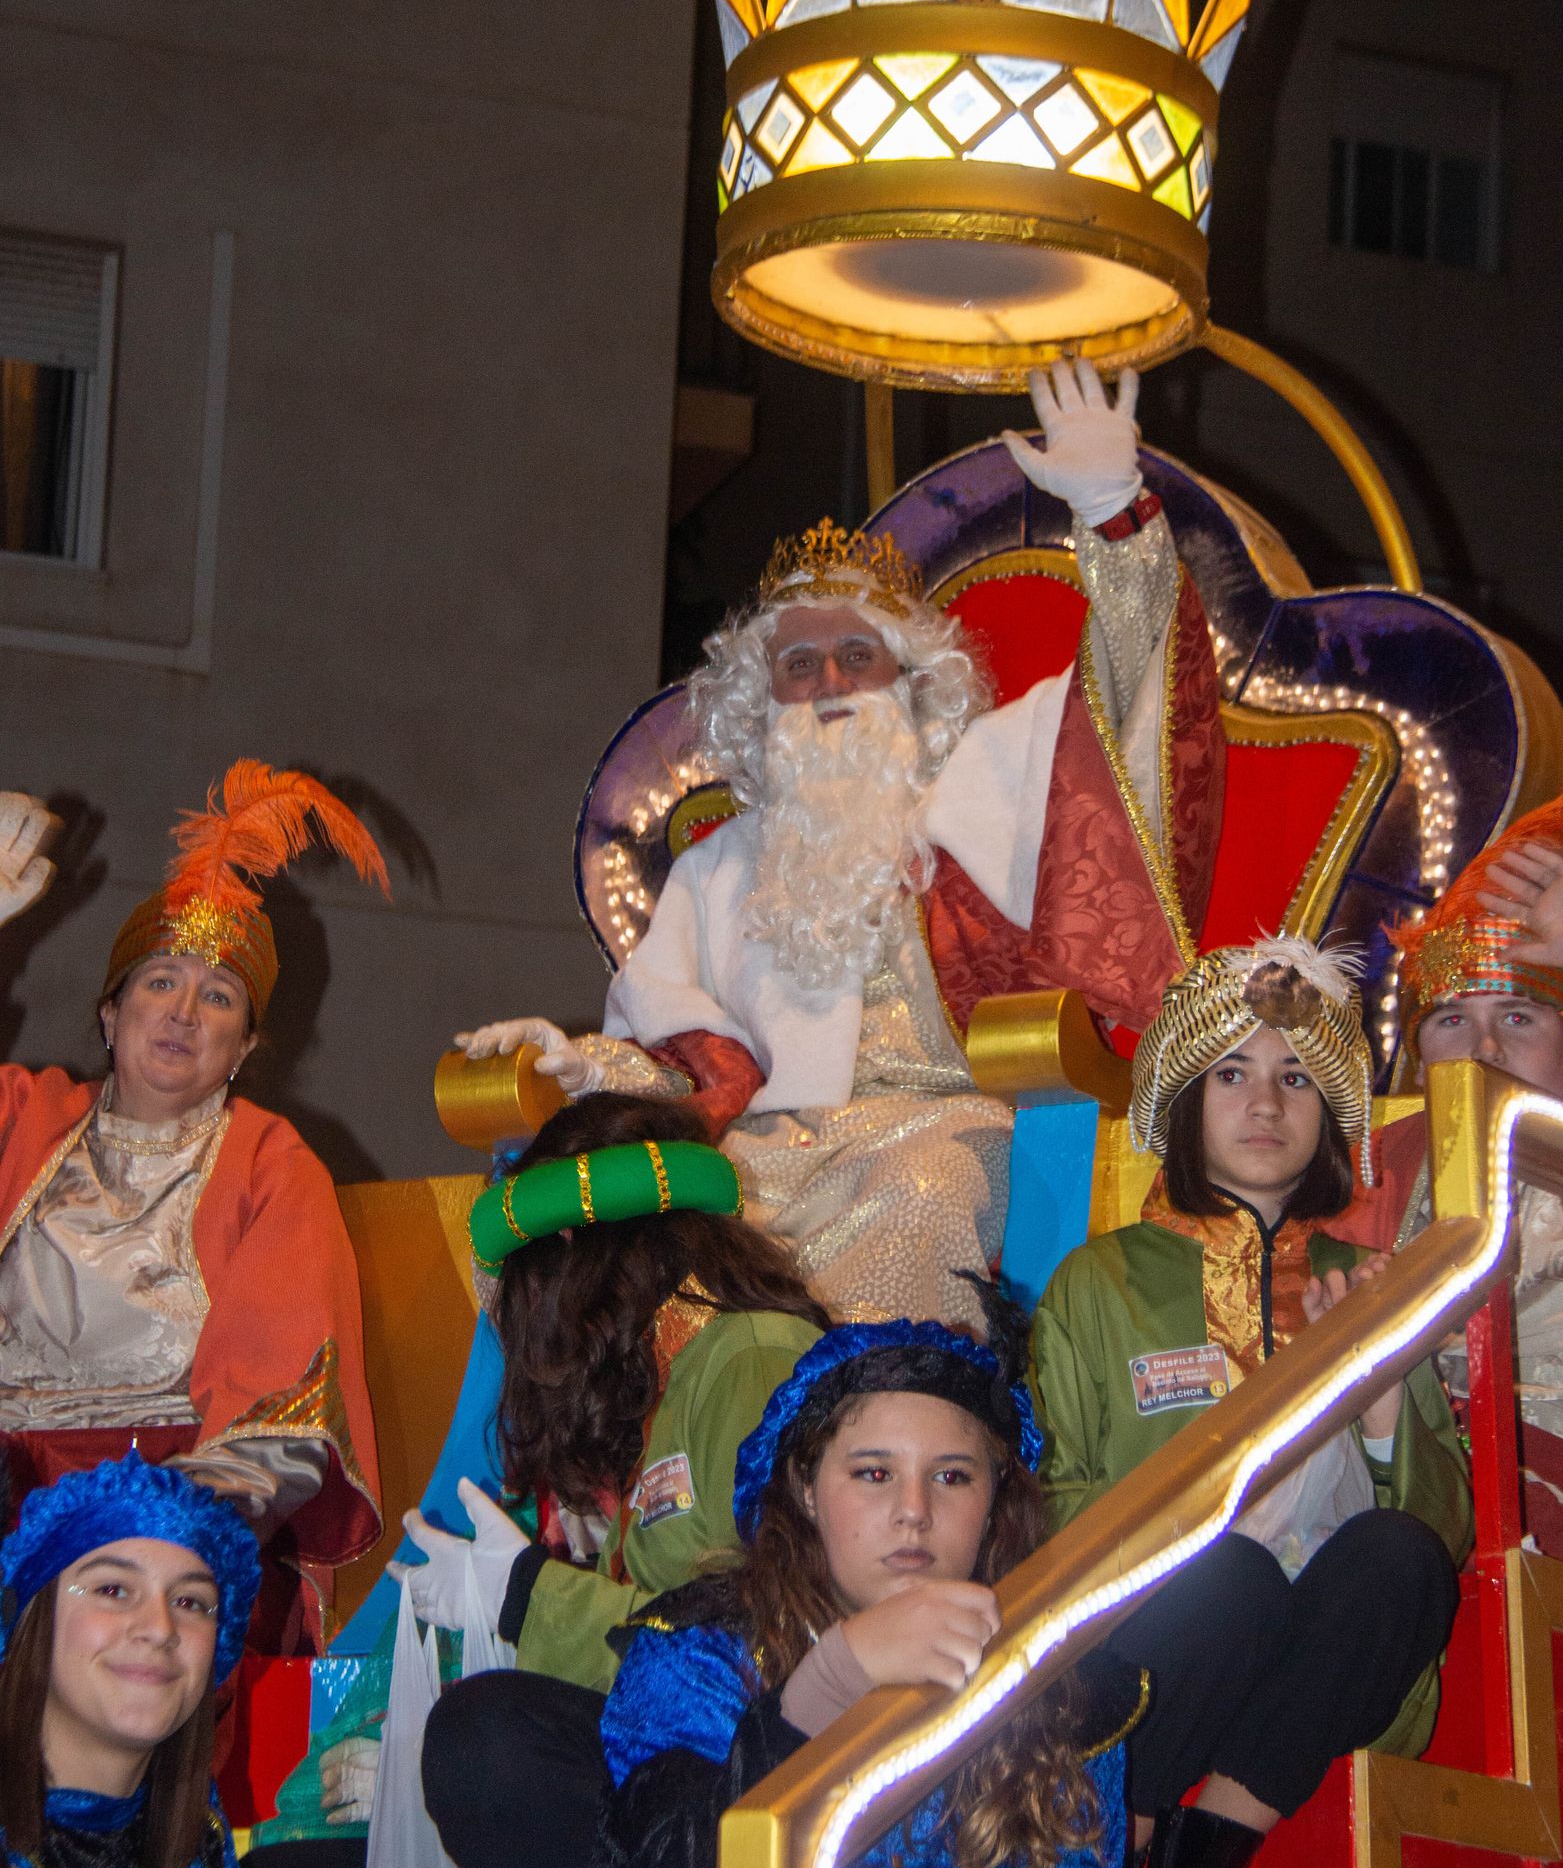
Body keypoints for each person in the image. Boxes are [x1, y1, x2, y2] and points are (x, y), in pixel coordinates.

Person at [458, 359, 1225, 1321]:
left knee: (918, 1204)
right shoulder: (715, 869)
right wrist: (579, 1064)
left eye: (856, 658)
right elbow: (674, 1059)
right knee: (610, 1245)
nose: (828, 686)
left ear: (908, 683)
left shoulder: (989, 780)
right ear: (763, 698)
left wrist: (1115, 514)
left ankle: (866, 1448)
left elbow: (1129, 702)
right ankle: (675, 1472)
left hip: (944, 1131)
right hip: (762, 1157)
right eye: (799, 665)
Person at [243, 1092, 830, 1868]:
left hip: (737, 1787)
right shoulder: (666, 1382)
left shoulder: (751, 1355)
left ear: (571, 1254)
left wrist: (527, 1596)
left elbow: (763, 1642)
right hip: (655, 1765)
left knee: (485, 1743)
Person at [1030, 936, 1469, 1868]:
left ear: (1330, 1116)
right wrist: (1202, 1510)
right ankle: (1105, 1865)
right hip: (1158, 1642)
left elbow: (1443, 1526)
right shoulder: (1099, 1283)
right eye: (1231, 1072)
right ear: (1185, 1097)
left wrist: (1374, 1398)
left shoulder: (1370, 1283)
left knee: (1400, 1557)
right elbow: (1045, 1496)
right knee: (1226, 1579)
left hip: (1321, 1659)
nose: (1264, 1105)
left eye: (1295, 1079)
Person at [538, 1295, 1146, 1868]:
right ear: (805, 1487)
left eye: (952, 1476)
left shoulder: (1060, 1676)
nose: (914, 1511)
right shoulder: (700, 1652)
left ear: (994, 1502)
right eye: (873, 1473)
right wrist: (829, 1682)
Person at [0, 761, 387, 1651]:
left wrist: (142, 1538)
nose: (182, 1011)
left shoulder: (272, 1165)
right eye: (158, 982)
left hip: (167, 1527)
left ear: (244, 1045)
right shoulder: (25, 1120)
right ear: (109, 1013)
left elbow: (285, 1418)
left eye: (217, 997)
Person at [1342, 787, 1563, 1569]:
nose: (1483, 1050)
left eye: (1518, 1019)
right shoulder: (1373, 1169)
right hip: (1401, 1483)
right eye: (1452, 1021)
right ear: (1420, 1063)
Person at [0, 1449, 262, 1868]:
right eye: (113, 1590)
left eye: (191, 1601)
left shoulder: (198, 1842)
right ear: (33, 1621)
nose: (160, 1628)